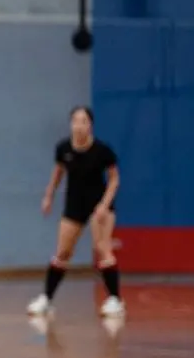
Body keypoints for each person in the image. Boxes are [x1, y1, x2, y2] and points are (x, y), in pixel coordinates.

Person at [29, 105, 124, 318]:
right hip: (74, 204)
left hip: (99, 206)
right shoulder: (63, 149)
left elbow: (115, 179)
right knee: (63, 252)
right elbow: (57, 174)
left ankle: (115, 300)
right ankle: (46, 298)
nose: (79, 126)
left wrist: (104, 204)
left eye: (84, 121)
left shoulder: (102, 151)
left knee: (102, 247)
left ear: (90, 125)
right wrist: (48, 196)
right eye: (75, 121)